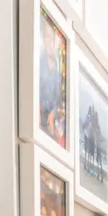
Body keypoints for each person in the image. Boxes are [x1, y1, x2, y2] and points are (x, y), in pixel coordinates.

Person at [39, 14, 64, 146]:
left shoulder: (57, 73)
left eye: (51, 37)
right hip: (38, 115)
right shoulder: (39, 63)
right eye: (46, 36)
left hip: (49, 119)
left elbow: (57, 99)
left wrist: (53, 114)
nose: (49, 41)